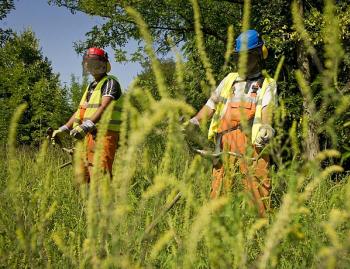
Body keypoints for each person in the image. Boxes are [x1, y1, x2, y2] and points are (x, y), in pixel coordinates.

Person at [190, 30, 276, 217]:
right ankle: (218, 229)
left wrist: (266, 128)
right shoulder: (230, 80)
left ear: (258, 55)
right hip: (225, 141)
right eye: (240, 57)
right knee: (220, 188)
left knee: (258, 189)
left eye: (248, 56)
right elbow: (211, 105)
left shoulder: (266, 83)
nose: (242, 61)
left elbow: (268, 108)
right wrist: (195, 121)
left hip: (253, 144)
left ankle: (261, 233)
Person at [51, 47, 123, 182]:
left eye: (94, 62)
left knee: (100, 175)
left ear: (103, 64)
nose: (90, 66)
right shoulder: (91, 87)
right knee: (83, 176)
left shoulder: (110, 82)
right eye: (88, 63)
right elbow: (80, 111)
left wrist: (87, 125)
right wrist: (64, 128)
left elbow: (104, 106)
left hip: (103, 134)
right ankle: (85, 202)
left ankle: (104, 202)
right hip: (87, 136)